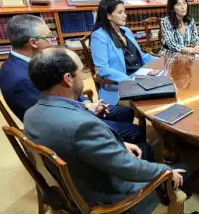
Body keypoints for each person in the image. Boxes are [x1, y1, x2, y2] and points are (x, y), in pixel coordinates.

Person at [24, 47, 199, 214]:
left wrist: (118, 144)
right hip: (104, 204)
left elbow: (75, 144)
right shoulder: (81, 126)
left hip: (69, 190)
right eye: (81, 72)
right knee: (184, 172)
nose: (83, 77)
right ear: (68, 79)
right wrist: (165, 171)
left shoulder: (31, 114)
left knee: (146, 152)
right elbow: (129, 169)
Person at [0, 14, 144, 144]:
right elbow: (51, 118)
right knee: (137, 131)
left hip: (76, 109)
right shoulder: (20, 79)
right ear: (33, 43)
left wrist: (87, 103)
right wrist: (89, 110)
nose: (53, 41)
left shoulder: (25, 63)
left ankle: (119, 146)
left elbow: (63, 91)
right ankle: (122, 151)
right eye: (49, 37)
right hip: (69, 127)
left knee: (126, 111)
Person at [91, 0, 159, 105]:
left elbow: (142, 56)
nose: (125, 15)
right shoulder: (99, 36)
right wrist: (130, 80)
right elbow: (103, 69)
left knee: (167, 89)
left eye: (124, 11)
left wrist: (164, 60)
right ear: (108, 16)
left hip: (141, 77)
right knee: (156, 99)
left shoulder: (126, 31)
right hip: (120, 86)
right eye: (120, 12)